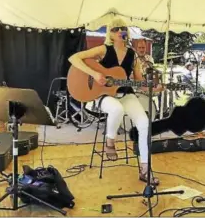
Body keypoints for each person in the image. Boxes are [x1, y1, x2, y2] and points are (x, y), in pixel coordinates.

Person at [68, 18, 163, 185]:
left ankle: (145, 169)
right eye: (116, 29)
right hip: (104, 96)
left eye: (123, 28)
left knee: (144, 123)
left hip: (126, 94)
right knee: (117, 109)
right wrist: (95, 74)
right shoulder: (104, 49)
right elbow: (74, 58)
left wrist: (152, 88)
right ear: (110, 34)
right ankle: (109, 141)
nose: (121, 31)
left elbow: (139, 82)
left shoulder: (133, 55)